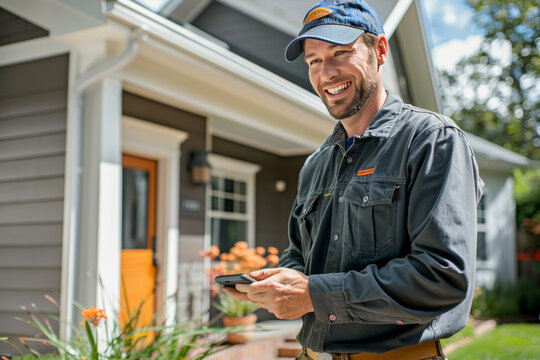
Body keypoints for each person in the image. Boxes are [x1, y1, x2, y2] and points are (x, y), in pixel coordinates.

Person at [224, 1, 484, 359]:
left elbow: (442, 277)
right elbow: (300, 253)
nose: (326, 72)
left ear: (379, 50)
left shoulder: (431, 140)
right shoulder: (316, 164)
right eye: (314, 60)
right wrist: (281, 281)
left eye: (340, 53)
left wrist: (313, 294)